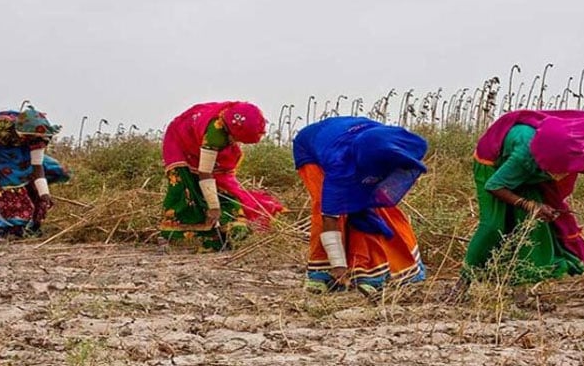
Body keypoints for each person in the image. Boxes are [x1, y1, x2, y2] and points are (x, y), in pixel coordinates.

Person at [456, 109, 584, 293]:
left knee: (533, 226)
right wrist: (528, 204)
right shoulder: (524, 155)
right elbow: (494, 186)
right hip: (492, 164)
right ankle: (462, 285)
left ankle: (520, 290)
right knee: (493, 225)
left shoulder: (579, 152)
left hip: (529, 173)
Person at [292, 116, 428, 297]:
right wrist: (338, 265)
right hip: (312, 149)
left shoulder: (394, 142)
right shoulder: (338, 165)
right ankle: (323, 274)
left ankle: (373, 272)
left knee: (378, 210)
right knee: (331, 208)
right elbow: (329, 217)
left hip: (349, 138)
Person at [159, 101, 283, 252]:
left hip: (199, 142)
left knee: (223, 190)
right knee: (184, 187)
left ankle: (230, 231)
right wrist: (214, 207)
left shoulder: (228, 119)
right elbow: (205, 173)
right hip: (180, 142)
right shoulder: (215, 135)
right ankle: (176, 237)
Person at [0, 106, 71, 244]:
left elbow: (37, 166)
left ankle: (30, 223)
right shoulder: (1, 128)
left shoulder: (38, 137)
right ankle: (5, 228)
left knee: (50, 171)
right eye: (28, 137)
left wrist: (44, 194)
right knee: (9, 182)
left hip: (18, 148)